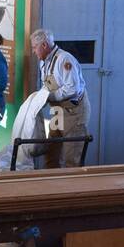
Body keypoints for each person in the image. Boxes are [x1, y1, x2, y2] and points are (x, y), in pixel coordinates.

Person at [30, 28, 90, 168]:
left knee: (71, 157)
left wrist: (48, 96)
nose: (33, 51)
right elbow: (48, 85)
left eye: (34, 47)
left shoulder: (64, 60)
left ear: (44, 45)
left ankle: (72, 188)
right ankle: (50, 187)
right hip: (57, 110)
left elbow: (72, 88)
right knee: (51, 153)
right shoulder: (43, 62)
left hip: (73, 111)